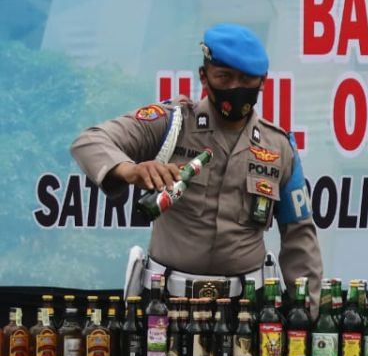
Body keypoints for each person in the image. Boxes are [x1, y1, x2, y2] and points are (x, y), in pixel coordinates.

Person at [72, 23, 321, 303]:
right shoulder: (172, 122)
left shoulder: (279, 147)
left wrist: (306, 316)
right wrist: (131, 169)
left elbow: (299, 235)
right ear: (204, 77)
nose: (235, 87)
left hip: (247, 307)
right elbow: (89, 141)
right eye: (224, 76)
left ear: (262, 81)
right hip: (168, 302)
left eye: (246, 79)